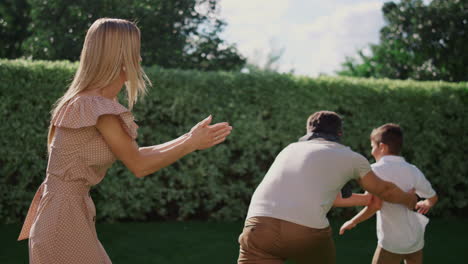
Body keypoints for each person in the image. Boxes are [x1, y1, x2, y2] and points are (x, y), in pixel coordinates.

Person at [17, 18, 232, 264]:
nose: (139, 60)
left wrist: (188, 138)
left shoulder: (91, 105)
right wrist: (190, 143)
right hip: (62, 221)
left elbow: (134, 152)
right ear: (118, 56)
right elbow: (139, 165)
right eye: (135, 53)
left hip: (66, 215)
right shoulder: (97, 109)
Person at [237, 111, 417, 264]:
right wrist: (409, 199)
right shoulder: (351, 158)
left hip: (258, 227)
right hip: (307, 233)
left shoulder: (289, 149)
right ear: (339, 134)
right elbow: (384, 190)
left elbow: (328, 197)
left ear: (308, 132)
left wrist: (365, 199)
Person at [339, 123, 438, 264]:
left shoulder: (374, 171)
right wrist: (425, 203)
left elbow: (374, 205)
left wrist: (353, 221)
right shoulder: (413, 170)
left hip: (392, 241)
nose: (372, 151)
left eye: (372, 146)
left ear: (382, 147)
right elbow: (432, 197)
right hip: (415, 239)